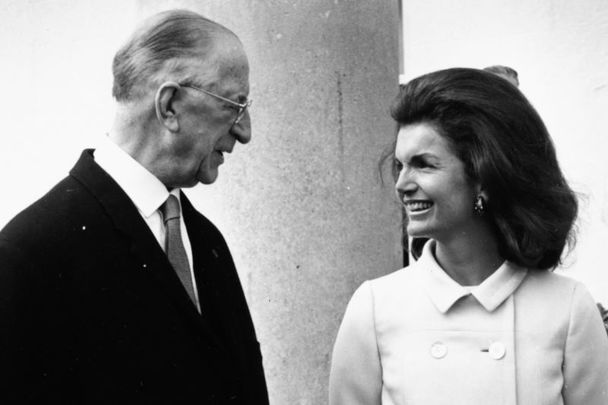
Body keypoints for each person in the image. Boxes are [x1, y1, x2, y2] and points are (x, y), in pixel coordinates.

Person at [0, 9, 268, 404]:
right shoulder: (29, 253)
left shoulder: (207, 242)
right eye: (235, 105)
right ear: (170, 106)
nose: (245, 132)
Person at [329, 67, 608, 404]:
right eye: (400, 166)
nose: (402, 184)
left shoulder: (568, 308)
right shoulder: (374, 307)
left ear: (483, 177)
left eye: (424, 164)